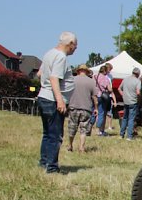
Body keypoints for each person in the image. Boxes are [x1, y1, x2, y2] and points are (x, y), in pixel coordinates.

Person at [36, 31, 77, 173]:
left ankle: (44, 162)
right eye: (75, 45)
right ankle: (52, 167)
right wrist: (60, 101)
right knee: (55, 135)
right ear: (70, 44)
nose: (76, 48)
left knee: (47, 134)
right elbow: (54, 78)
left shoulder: (49, 54)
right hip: (52, 100)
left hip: (43, 96)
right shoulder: (61, 57)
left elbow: (40, 74)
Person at [66, 64, 97, 153]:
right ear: (87, 72)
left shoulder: (72, 80)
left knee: (72, 127)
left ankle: (70, 145)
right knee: (83, 129)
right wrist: (96, 108)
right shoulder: (91, 82)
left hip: (73, 106)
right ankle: (81, 147)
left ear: (78, 71)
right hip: (86, 108)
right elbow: (94, 97)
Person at [119, 67, 141, 140]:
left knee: (124, 118)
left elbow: (119, 89)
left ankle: (121, 135)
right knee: (131, 119)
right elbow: (138, 92)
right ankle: (129, 136)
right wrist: (140, 98)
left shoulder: (125, 79)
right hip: (133, 101)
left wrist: (123, 95)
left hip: (126, 101)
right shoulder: (137, 81)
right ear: (138, 74)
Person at [94, 63, 115, 136]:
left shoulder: (95, 76)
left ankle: (95, 127)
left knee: (96, 111)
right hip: (102, 97)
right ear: (105, 71)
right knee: (102, 113)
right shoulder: (105, 78)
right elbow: (109, 89)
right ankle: (100, 130)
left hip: (95, 96)